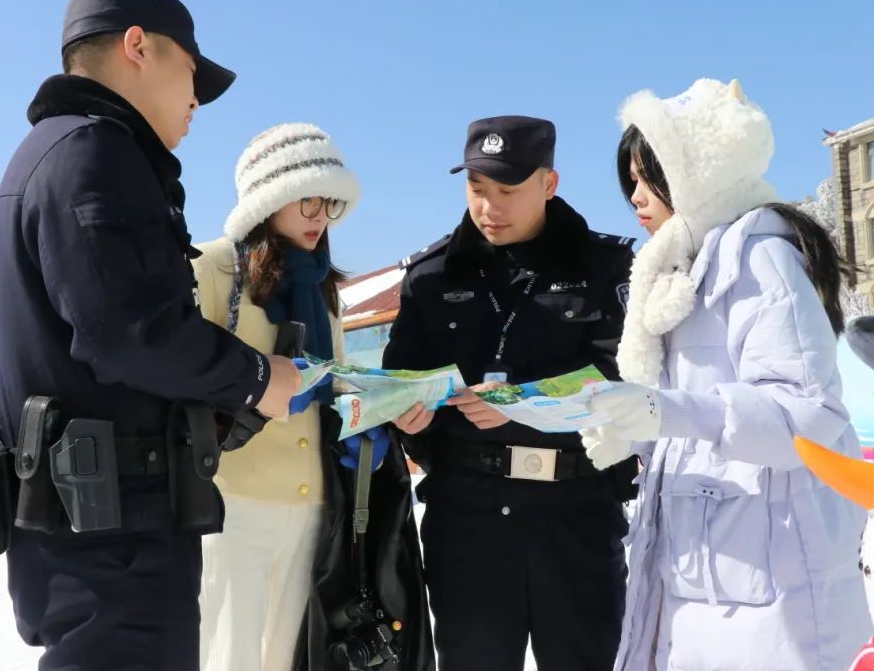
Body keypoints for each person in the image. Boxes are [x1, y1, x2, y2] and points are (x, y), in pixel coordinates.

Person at [0, 0, 301, 670]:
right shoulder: (95, 153)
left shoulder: (55, 151)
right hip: (113, 535)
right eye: (191, 73)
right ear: (137, 46)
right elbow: (129, 331)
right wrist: (259, 377)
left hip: (91, 524)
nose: (196, 101)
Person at [581, 78, 871, 670]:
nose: (635, 196)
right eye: (630, 180)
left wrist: (663, 411)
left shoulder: (759, 258)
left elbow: (807, 416)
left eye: (649, 176)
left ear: (699, 170)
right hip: (706, 582)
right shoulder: (684, 274)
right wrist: (633, 430)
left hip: (771, 593)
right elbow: (697, 422)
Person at [382, 116, 637, 670]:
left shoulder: (607, 267)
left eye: (507, 190)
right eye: (477, 189)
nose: (489, 207)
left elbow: (623, 383)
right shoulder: (430, 276)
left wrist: (520, 408)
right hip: (467, 521)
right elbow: (399, 379)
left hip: (576, 515)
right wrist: (408, 417)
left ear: (549, 184)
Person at [194, 122, 361, 670]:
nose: (320, 216)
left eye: (330, 203)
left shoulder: (324, 290)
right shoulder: (214, 269)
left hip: (310, 503)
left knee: (287, 657)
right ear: (269, 197)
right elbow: (181, 374)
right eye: (307, 199)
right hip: (232, 501)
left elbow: (336, 384)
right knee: (229, 654)